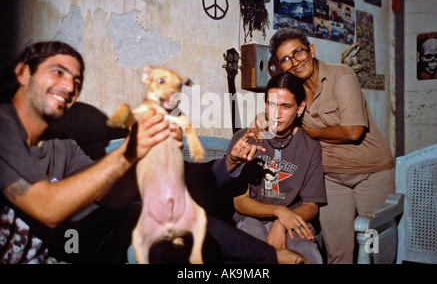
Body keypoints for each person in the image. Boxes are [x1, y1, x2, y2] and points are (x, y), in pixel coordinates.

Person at [0, 41, 304, 264]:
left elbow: (108, 201)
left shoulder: (62, 145)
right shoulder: (3, 126)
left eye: (76, 80)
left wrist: (147, 150)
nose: (69, 85)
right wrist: (129, 153)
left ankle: (272, 258)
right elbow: (49, 209)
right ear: (23, 72)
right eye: (58, 72)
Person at [265, 27, 395, 264]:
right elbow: (278, 114)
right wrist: (258, 121)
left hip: (372, 172)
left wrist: (311, 131)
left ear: (311, 51)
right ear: (280, 66)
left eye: (298, 52)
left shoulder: (341, 75)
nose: (294, 62)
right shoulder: (295, 92)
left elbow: (353, 131)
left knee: (376, 249)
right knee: (337, 251)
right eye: (285, 59)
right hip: (332, 178)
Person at [227, 72, 327, 264]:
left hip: (294, 217)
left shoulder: (310, 146)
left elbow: (311, 206)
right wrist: (278, 212)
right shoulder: (244, 139)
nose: (277, 114)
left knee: (307, 254)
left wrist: (282, 221)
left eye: (286, 106)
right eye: (272, 105)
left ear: (300, 107)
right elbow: (240, 202)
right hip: (250, 218)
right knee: (258, 253)